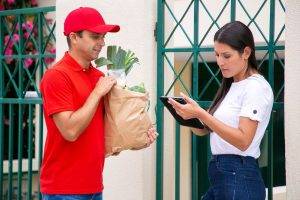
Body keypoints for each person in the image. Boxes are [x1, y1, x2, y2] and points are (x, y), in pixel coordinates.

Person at [40, 7, 157, 200]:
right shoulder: (57, 76)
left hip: (94, 187)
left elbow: (106, 133)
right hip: (63, 189)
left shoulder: (98, 77)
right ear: (74, 37)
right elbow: (70, 131)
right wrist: (96, 93)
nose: (102, 43)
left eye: (103, 37)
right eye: (95, 36)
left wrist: (137, 138)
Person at [168, 21, 273, 200]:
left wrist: (201, 114)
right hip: (223, 176)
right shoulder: (232, 85)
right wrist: (187, 116)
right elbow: (204, 130)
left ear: (246, 53)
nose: (220, 62)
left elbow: (243, 140)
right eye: (217, 55)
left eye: (226, 56)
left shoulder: (256, 88)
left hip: (239, 176)